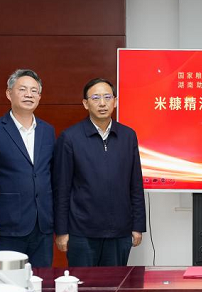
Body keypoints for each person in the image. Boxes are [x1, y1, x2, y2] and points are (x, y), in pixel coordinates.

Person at [52, 78, 146, 267]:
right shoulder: (70, 137)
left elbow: (135, 184)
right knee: (83, 284)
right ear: (85, 103)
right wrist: (61, 231)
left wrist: (138, 226)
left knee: (115, 284)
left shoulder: (128, 136)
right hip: (81, 232)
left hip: (120, 232)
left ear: (115, 101)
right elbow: (61, 188)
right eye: (95, 98)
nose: (102, 103)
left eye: (107, 97)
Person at [0, 69, 55, 267]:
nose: (29, 95)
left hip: (43, 225)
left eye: (34, 91)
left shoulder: (47, 131)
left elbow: (52, 175)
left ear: (39, 96)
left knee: (41, 281)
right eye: (23, 89)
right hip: (7, 227)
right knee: (7, 281)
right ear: (9, 93)